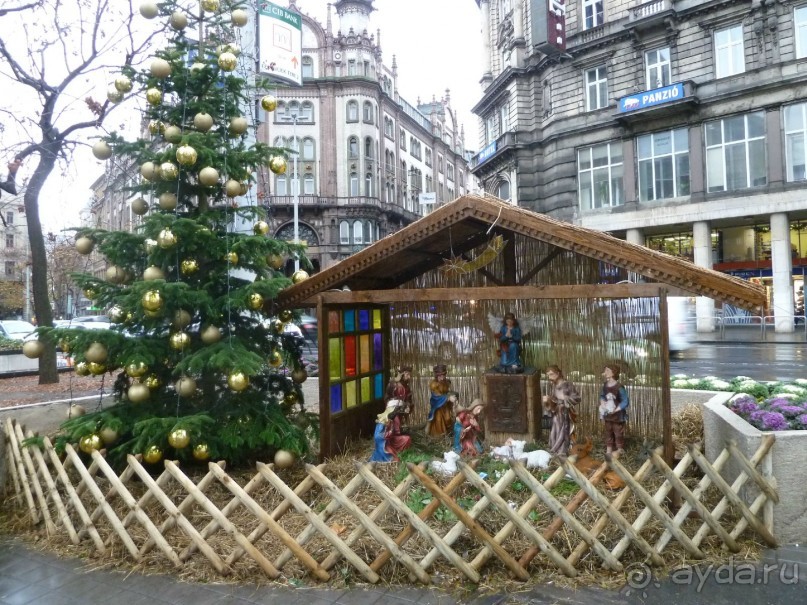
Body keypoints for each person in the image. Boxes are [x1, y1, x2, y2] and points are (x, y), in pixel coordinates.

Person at [542, 365, 581, 457]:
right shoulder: (554, 386)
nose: (549, 377)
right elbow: (554, 400)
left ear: (558, 373)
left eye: (551, 374)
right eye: (548, 375)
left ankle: (562, 450)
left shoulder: (567, 385)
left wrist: (565, 399)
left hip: (565, 412)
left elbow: (577, 398)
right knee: (555, 428)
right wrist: (548, 401)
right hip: (557, 412)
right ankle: (554, 448)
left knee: (564, 430)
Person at [599, 363, 630, 457]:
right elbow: (602, 396)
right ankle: (609, 449)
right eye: (605, 370)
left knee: (618, 432)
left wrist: (617, 409)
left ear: (613, 373)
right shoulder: (605, 385)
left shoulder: (619, 387)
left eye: (607, 370)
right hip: (608, 413)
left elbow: (625, 401)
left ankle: (619, 449)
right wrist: (602, 402)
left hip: (617, 415)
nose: (605, 372)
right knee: (608, 431)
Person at [426, 364, 455, 437]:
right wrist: (448, 398)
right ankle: (439, 436)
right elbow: (436, 397)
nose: (442, 378)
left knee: (448, 419)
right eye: (440, 376)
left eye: (443, 376)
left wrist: (450, 395)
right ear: (436, 376)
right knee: (438, 421)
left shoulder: (446, 382)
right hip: (437, 406)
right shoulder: (434, 384)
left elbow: (447, 392)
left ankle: (448, 433)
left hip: (445, 405)